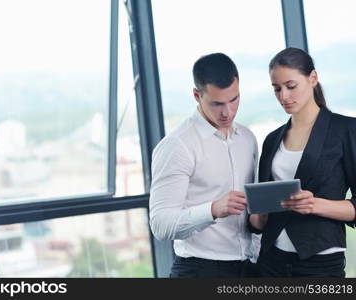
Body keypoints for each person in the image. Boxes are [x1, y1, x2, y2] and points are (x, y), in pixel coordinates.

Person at [149, 53, 259, 278]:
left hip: (249, 267)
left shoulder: (247, 139)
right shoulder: (177, 145)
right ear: (197, 95)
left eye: (234, 99)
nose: (227, 112)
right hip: (199, 270)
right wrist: (212, 209)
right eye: (217, 103)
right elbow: (160, 225)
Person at [249, 47, 356, 277]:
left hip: (320, 263)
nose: (283, 96)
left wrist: (315, 205)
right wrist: (255, 214)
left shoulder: (346, 130)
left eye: (291, 86)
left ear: (313, 78)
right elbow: (262, 211)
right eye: (276, 89)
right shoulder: (272, 139)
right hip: (271, 260)